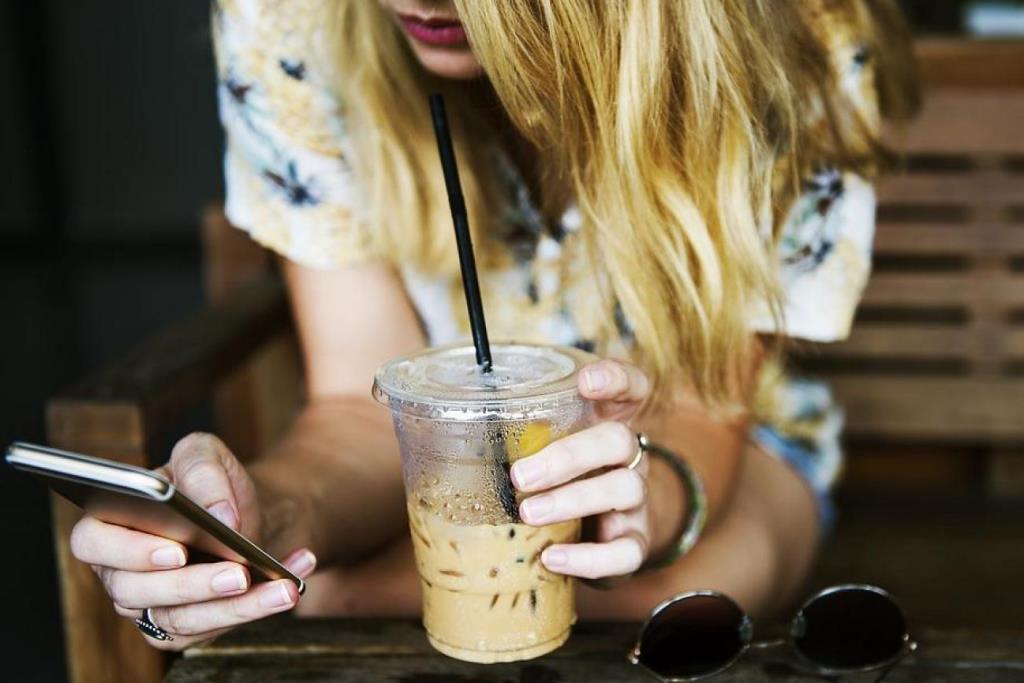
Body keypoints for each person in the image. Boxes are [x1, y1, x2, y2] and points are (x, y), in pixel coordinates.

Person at [69, 0, 919, 650]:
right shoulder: (293, 22)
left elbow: (704, 409)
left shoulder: (796, 39)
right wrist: (270, 520)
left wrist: (639, 503)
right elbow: (362, 408)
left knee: (684, 595)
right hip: (437, 471)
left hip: (718, 446)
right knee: (508, 595)